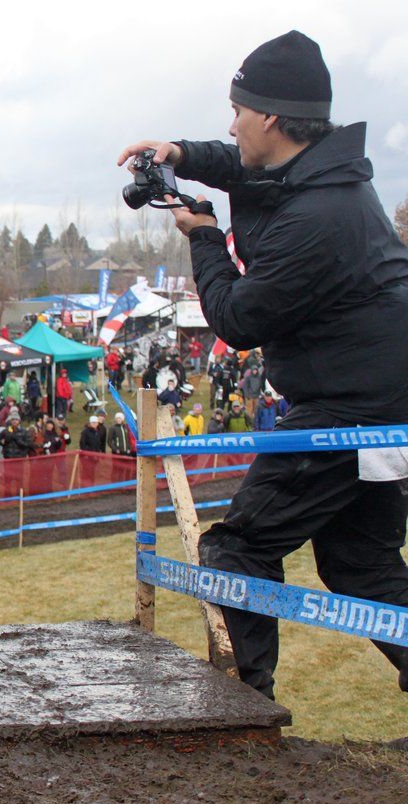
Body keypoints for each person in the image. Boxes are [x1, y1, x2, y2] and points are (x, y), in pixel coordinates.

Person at [121, 30, 408, 698]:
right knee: (362, 565)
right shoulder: (319, 174)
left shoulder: (319, 218)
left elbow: (238, 320)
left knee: (237, 550)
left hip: (351, 407)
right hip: (376, 397)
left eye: (239, 111)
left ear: (272, 118)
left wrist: (206, 240)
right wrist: (182, 155)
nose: (232, 123)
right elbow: (246, 166)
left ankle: (248, 708)